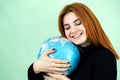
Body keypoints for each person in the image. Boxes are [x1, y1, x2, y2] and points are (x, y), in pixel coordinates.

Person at [28, 2, 120, 80]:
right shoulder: (65, 53)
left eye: (78, 23)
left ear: (90, 23)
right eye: (67, 27)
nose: (73, 31)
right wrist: (35, 68)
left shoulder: (104, 57)